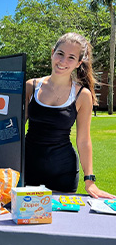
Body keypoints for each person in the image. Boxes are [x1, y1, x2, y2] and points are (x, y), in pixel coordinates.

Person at [25, 32, 115, 199]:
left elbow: (83, 140)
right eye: (60, 54)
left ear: (78, 63)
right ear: (53, 53)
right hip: (27, 168)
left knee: (63, 224)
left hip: (63, 173)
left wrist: (90, 181)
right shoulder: (31, 86)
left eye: (71, 57)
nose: (63, 61)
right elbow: (12, 130)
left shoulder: (82, 95)